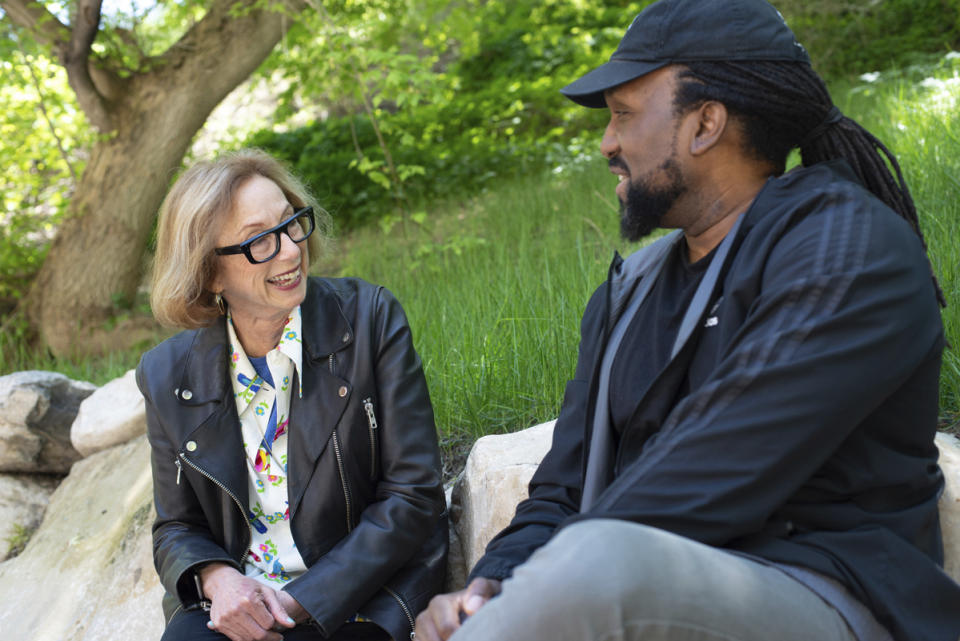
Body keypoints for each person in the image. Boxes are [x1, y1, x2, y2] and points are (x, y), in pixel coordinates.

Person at [414, 1, 960, 640]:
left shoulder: (848, 247)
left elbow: (722, 460)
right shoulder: (629, 294)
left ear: (705, 124)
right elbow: (563, 488)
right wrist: (490, 586)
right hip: (639, 582)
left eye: (622, 113)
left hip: (833, 594)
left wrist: (545, 585)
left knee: (600, 561)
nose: (607, 143)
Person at [137, 149, 447, 641]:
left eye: (291, 223)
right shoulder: (165, 373)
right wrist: (221, 582)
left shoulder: (370, 320)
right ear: (209, 272)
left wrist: (296, 600)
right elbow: (175, 527)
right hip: (238, 608)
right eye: (259, 240)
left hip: (358, 592)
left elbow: (413, 496)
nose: (288, 250)